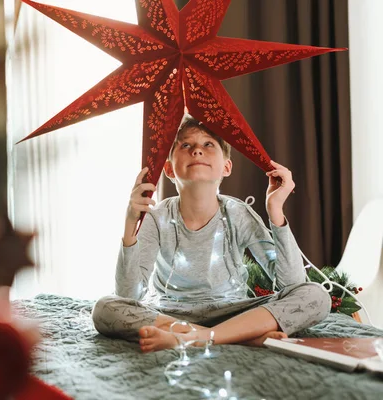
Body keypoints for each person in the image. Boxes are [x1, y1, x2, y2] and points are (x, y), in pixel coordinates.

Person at [91, 114, 331, 352]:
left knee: (315, 295)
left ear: (226, 167)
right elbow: (127, 295)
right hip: (168, 313)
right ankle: (237, 337)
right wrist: (130, 225)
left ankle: (197, 337)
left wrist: (275, 211)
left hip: (233, 311)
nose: (197, 151)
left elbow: (291, 284)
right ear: (168, 168)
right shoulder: (157, 216)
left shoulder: (238, 213)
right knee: (105, 308)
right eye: (186, 145)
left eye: (208, 144)